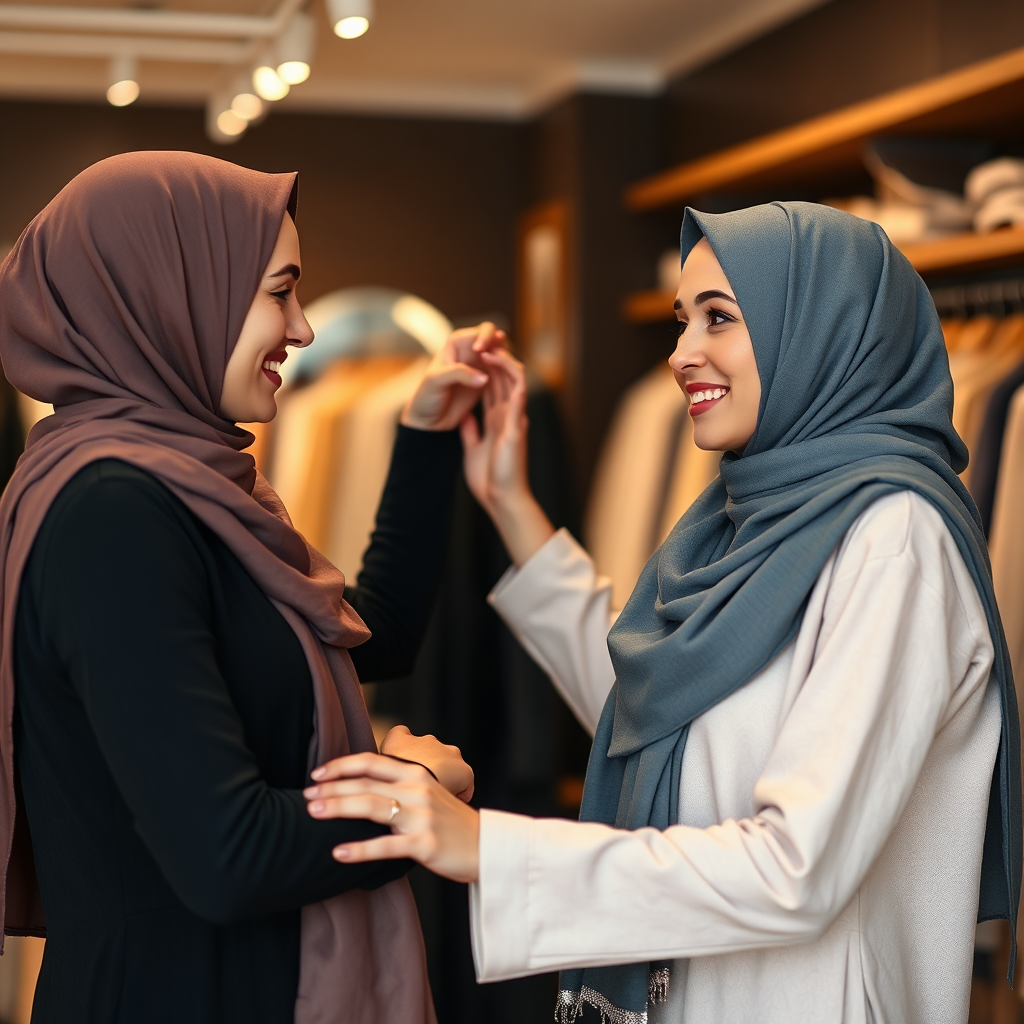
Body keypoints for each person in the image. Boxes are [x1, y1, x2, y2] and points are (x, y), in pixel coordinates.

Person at [302, 202, 1022, 1023]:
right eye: (682, 321)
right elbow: (651, 699)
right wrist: (507, 500)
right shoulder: (748, 518)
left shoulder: (895, 539)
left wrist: (490, 849)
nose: (682, 353)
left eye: (720, 317)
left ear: (820, 327)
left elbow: (798, 867)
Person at [0, 151, 499, 1024]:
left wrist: (423, 439)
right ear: (170, 291)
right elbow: (226, 855)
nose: (304, 330)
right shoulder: (113, 514)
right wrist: (406, 790)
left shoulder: (185, 489)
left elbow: (362, 630)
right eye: (280, 291)